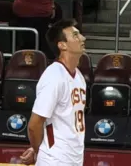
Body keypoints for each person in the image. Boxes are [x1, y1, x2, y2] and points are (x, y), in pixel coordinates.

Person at [20, 18, 87, 165]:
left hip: (73, 158)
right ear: (62, 45)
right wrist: (40, 151)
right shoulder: (54, 76)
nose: (83, 38)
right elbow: (34, 124)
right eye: (75, 35)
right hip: (54, 160)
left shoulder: (79, 76)